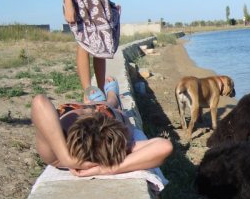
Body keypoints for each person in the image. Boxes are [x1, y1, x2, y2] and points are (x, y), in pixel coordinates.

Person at [32, 76, 172, 177]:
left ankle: (103, 101)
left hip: (70, 110)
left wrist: (65, 158)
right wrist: (106, 169)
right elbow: (164, 146)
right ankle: (112, 97)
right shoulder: (116, 146)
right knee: (110, 105)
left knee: (104, 106)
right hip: (107, 114)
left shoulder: (55, 155)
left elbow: (39, 102)